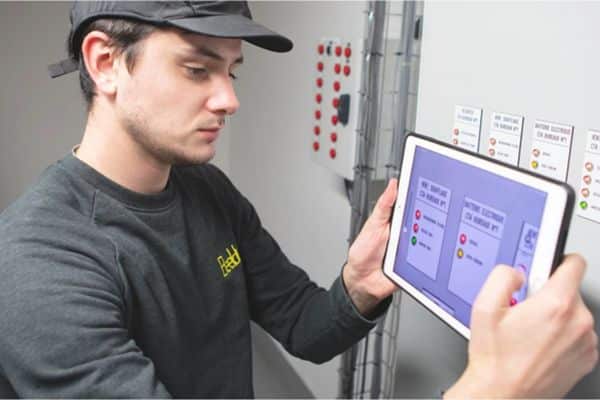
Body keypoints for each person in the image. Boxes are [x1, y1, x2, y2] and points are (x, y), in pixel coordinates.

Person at [0, 1, 596, 398]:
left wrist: (357, 286)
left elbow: (304, 327)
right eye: (197, 69)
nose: (229, 99)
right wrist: (496, 388)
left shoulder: (206, 190)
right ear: (106, 63)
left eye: (232, 72)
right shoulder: (40, 264)